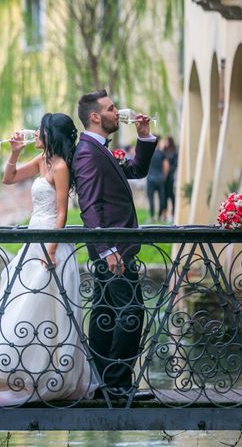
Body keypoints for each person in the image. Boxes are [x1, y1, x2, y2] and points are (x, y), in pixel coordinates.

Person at [0, 113, 98, 408]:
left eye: (40, 130)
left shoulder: (60, 167)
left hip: (50, 242)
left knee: (47, 307)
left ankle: (49, 374)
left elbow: (61, 213)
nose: (35, 133)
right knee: (21, 302)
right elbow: (8, 179)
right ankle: (19, 370)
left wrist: (51, 250)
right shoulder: (41, 162)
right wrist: (14, 153)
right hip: (33, 238)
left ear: (50, 135)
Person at [72, 89, 157, 401]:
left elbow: (137, 170)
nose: (117, 112)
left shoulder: (100, 149)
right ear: (96, 116)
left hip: (115, 248)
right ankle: (118, 384)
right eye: (111, 108)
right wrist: (107, 249)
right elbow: (90, 205)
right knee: (131, 310)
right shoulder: (86, 153)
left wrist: (144, 136)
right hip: (113, 250)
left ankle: (101, 382)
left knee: (105, 312)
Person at [146, 141, 169, 223]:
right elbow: (166, 166)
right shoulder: (162, 154)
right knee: (161, 198)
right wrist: (164, 177)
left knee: (151, 198)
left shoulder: (149, 153)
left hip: (150, 178)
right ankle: (159, 216)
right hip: (160, 178)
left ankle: (152, 217)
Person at [163, 136, 178, 222]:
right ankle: (164, 213)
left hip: (170, 177)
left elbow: (174, 165)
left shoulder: (173, 153)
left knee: (171, 195)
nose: (165, 143)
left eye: (167, 141)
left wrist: (169, 171)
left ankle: (173, 212)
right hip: (164, 177)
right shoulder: (164, 152)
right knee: (164, 195)